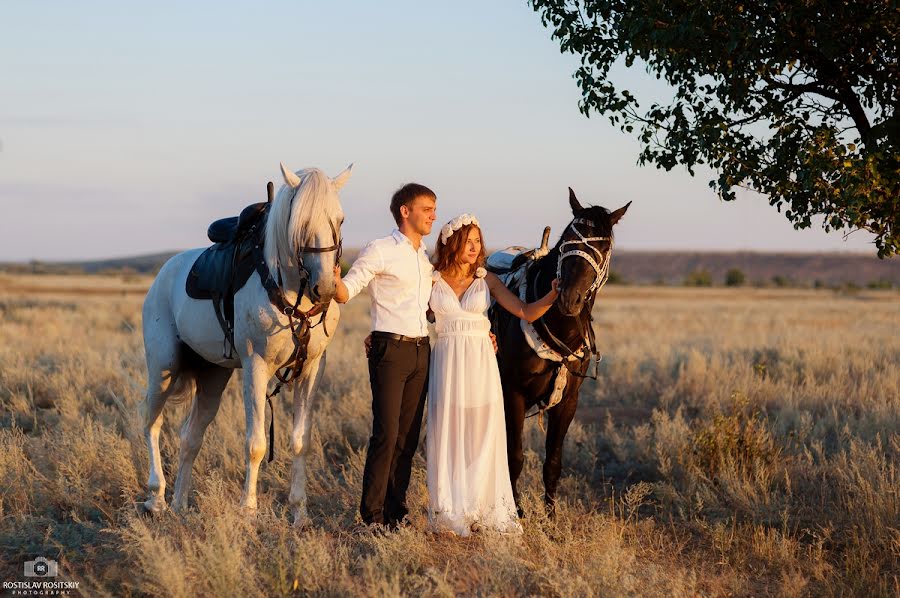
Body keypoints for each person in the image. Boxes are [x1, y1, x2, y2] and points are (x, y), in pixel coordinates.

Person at [426, 213, 558, 536]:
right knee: (449, 432)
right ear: (452, 243)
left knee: (483, 431)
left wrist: (553, 295)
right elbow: (411, 313)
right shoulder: (431, 279)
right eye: (468, 241)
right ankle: (451, 509)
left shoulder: (487, 280)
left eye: (477, 241)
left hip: (480, 363)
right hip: (446, 361)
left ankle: (482, 506)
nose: (475, 247)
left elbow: (525, 311)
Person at [333, 183, 437, 529]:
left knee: (407, 439)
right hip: (390, 350)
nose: (433, 215)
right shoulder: (380, 249)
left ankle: (396, 511)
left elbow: (429, 308)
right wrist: (334, 282)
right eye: (426, 208)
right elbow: (349, 289)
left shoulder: (424, 258)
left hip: (423, 350)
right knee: (386, 433)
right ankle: (372, 515)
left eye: (434, 209)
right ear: (405, 211)